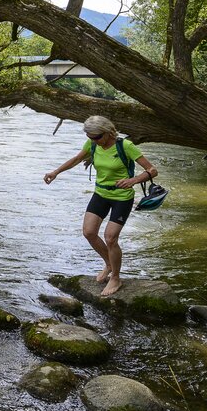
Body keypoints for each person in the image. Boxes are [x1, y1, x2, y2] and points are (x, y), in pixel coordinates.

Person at [42, 115, 158, 297]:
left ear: (108, 132)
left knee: (110, 238)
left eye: (96, 137)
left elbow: (152, 170)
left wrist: (133, 180)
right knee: (89, 232)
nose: (93, 140)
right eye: (90, 137)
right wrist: (56, 172)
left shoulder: (125, 146)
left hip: (122, 197)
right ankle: (109, 263)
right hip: (101, 194)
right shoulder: (93, 144)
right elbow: (76, 159)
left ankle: (116, 278)